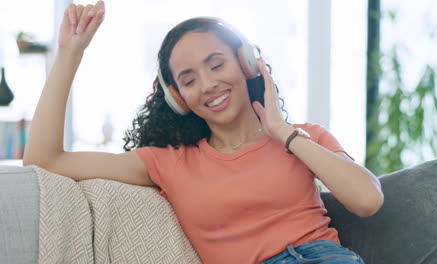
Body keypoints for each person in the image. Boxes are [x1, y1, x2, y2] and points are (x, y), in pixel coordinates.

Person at [23, 1, 384, 263]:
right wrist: (70, 54)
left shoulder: (305, 138)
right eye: (189, 79)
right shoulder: (169, 162)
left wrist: (283, 132)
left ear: (245, 62)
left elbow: (367, 201)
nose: (209, 84)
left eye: (216, 64)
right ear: (179, 99)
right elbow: (44, 160)